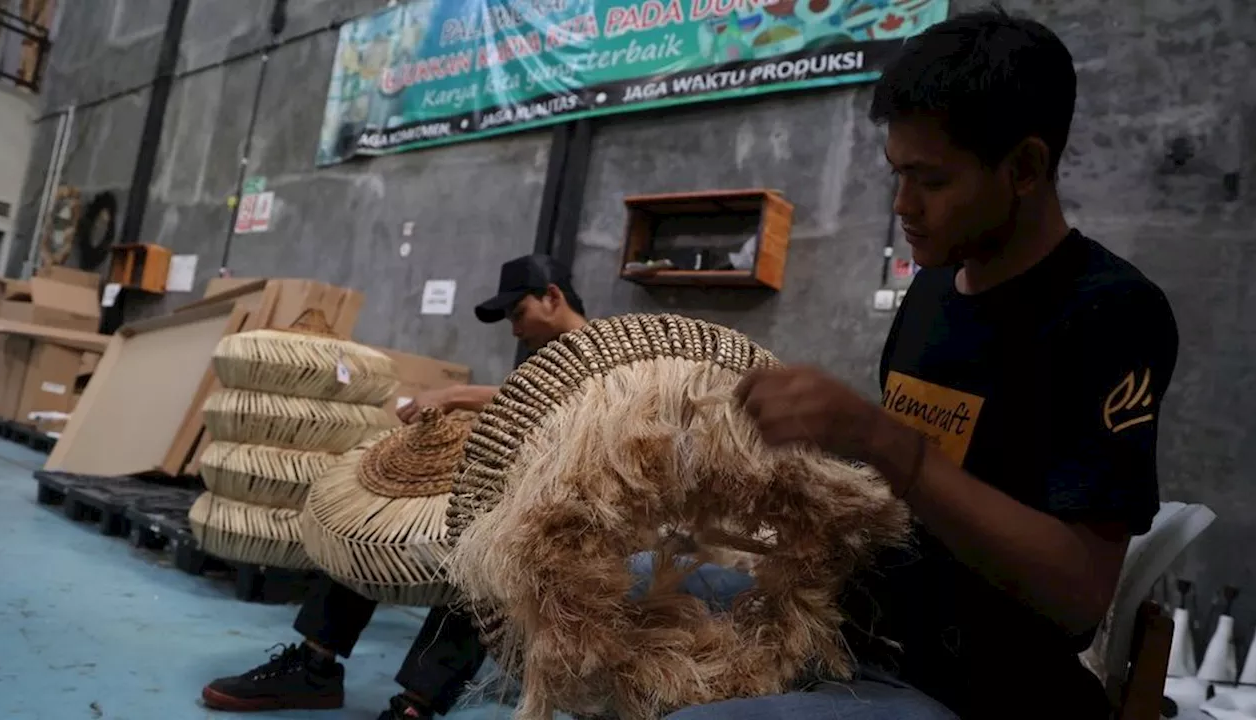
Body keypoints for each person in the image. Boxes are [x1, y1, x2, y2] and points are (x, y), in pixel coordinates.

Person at [679, 7, 1179, 720]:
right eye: (897, 173)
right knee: (623, 590)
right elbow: (901, 501)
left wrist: (881, 440)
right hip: (857, 631)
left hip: (975, 686)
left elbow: (1078, 592)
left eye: (931, 180)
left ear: (1026, 168)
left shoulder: (1110, 314)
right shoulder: (935, 290)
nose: (903, 205)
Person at [201, 254, 588, 720]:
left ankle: (416, 705)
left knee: (483, 557)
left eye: (517, 313)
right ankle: (314, 663)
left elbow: (564, 399)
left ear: (552, 297)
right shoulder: (541, 356)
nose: (512, 328)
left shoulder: (597, 353)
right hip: (509, 493)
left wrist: (453, 395)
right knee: (370, 522)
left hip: (571, 519)